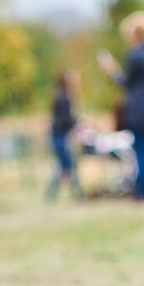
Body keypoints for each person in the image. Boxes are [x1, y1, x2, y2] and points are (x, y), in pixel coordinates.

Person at [99, 11, 144, 200]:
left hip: (139, 111)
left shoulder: (136, 56)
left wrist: (112, 70)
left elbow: (128, 85)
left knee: (141, 151)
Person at [46, 70, 83, 200]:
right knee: (66, 165)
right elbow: (66, 119)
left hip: (59, 135)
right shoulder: (64, 97)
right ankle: (73, 192)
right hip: (60, 135)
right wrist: (77, 126)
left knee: (66, 165)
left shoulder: (61, 95)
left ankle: (74, 191)